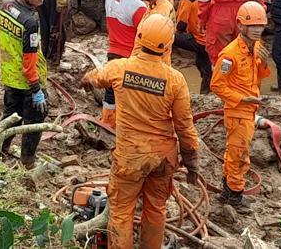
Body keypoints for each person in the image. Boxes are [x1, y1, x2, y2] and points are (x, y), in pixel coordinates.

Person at [80, 14, 201, 249]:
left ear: (139, 36)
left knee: (122, 211)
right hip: (162, 158)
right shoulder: (175, 80)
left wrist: (86, 82)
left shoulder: (120, 68)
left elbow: (94, 77)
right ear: (169, 44)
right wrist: (192, 164)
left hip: (130, 157)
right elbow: (185, 128)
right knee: (156, 209)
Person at [209, 1, 271, 214]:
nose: (257, 30)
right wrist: (242, 99)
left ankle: (227, 191)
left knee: (234, 152)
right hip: (237, 112)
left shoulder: (257, 47)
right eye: (253, 25)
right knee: (239, 154)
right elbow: (216, 85)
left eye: (260, 26)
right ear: (241, 26)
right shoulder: (230, 54)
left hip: (249, 109)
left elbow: (258, 76)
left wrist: (263, 63)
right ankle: (235, 196)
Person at [0, 0, 50, 169]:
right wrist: (37, 90)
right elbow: (29, 62)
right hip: (28, 82)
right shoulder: (30, 22)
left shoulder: (5, 7)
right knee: (33, 123)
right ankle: (28, 162)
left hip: (10, 76)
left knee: (10, 118)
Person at [103, 0, 146, 128]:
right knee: (131, 96)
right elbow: (144, 35)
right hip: (130, 57)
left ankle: (107, 123)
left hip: (112, 52)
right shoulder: (138, 6)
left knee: (111, 92)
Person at [175, 0, 214, 93]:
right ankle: (206, 90)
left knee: (169, 36)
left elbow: (181, 24)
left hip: (198, 40)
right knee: (204, 65)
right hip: (209, 39)